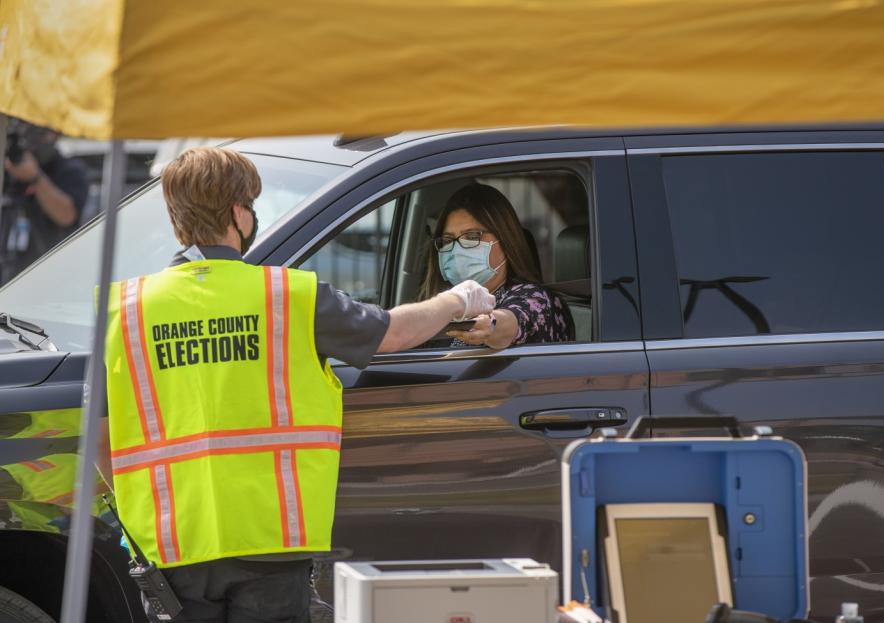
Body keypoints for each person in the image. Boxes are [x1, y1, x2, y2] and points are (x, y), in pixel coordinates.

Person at [96, 147, 494, 622]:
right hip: (271, 542)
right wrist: (457, 299)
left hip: (175, 547)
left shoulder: (125, 311)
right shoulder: (287, 296)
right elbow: (393, 332)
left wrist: (148, 518)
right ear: (239, 213)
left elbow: (104, 442)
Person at [420, 182, 574, 349]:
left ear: (506, 241)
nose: (457, 250)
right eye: (449, 240)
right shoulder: (446, 303)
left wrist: (490, 325)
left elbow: (514, 319)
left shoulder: (536, 299)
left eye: (472, 237)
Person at [1, 121, 89, 284]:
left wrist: (35, 178)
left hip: (45, 279)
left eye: (42, 134)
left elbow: (66, 216)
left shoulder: (68, 169)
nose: (33, 140)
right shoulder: (8, 171)